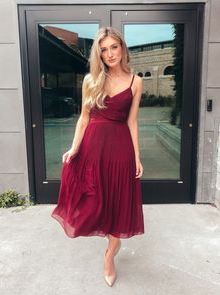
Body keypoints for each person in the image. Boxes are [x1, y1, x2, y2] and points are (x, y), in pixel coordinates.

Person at [51, 26, 145, 287]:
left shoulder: (136, 81)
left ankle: (109, 256)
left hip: (120, 151)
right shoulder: (91, 81)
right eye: (104, 50)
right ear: (99, 55)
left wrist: (137, 157)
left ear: (122, 48)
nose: (110, 54)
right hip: (93, 150)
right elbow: (83, 118)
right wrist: (74, 148)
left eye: (114, 47)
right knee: (94, 201)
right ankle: (107, 242)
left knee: (120, 205)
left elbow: (133, 122)